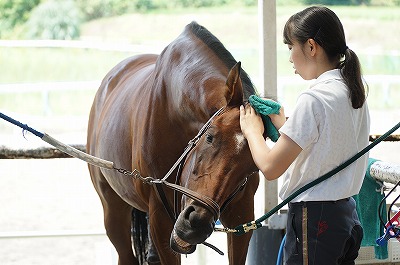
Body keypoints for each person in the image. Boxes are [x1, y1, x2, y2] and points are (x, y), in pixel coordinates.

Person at [240, 6, 370, 265]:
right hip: (345, 215)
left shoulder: (313, 99)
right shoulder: (352, 91)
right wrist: (284, 123)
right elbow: (327, 143)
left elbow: (270, 167)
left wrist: (252, 131)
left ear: (311, 47)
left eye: (291, 46)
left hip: (315, 219)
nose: (290, 57)